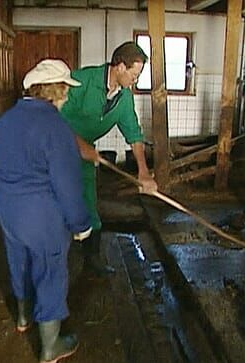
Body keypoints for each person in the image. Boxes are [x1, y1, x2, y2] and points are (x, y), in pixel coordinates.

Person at [0, 59, 91, 363]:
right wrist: (80, 223)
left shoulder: (5, 120)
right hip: (42, 217)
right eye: (66, 90)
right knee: (49, 271)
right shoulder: (55, 127)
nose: (68, 96)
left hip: (8, 210)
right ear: (55, 90)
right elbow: (68, 184)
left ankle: (23, 319)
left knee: (18, 261)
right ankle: (50, 347)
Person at [61, 41, 158, 276]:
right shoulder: (81, 81)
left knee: (89, 204)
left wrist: (143, 171)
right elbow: (53, 119)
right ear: (120, 67)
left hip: (86, 155)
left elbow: (133, 134)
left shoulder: (124, 98)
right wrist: (81, 146)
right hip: (55, 151)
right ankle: (53, 260)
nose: (136, 80)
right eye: (134, 74)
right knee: (55, 204)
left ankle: (91, 259)